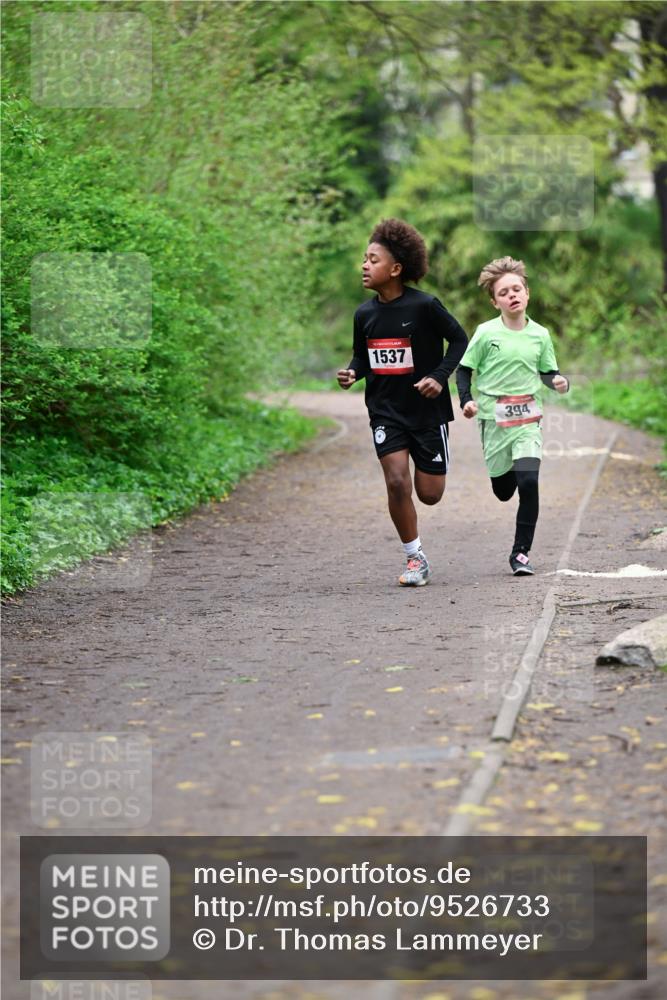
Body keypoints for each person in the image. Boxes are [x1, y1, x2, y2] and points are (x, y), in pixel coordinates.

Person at [337, 218, 468, 586]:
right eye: (364, 259)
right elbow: (362, 357)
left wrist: (439, 377)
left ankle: (430, 483)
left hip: (427, 414)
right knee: (396, 482)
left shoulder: (426, 306)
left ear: (395, 269)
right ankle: (415, 559)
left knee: (430, 494)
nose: (365, 265)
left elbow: (459, 340)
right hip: (385, 412)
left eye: (373, 260)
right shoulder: (364, 314)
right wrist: (351, 372)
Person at [456, 256, 569, 576]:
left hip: (528, 420)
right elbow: (464, 371)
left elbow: (549, 373)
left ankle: (520, 553)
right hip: (493, 419)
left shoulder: (541, 335)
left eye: (517, 289)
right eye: (504, 292)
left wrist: (559, 381)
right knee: (504, 490)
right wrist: (466, 400)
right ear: (495, 302)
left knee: (529, 480)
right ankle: (505, 479)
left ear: (527, 293)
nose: (512, 295)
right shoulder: (486, 333)